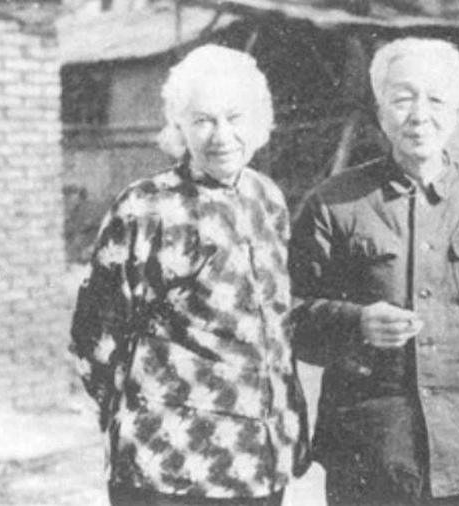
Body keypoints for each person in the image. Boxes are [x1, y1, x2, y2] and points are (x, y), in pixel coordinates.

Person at [289, 38, 459, 506]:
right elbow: (288, 320)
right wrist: (355, 323)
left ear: (455, 112)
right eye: (402, 98)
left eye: (435, 99)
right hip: (368, 455)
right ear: (380, 111)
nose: (419, 115)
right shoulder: (333, 204)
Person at [70, 44, 310, 506]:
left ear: (259, 121)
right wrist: (140, 418)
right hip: (168, 466)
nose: (222, 136)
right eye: (203, 120)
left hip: (257, 463)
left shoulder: (268, 199)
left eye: (235, 118)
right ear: (179, 127)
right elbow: (95, 335)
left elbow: (278, 331)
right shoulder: (146, 206)